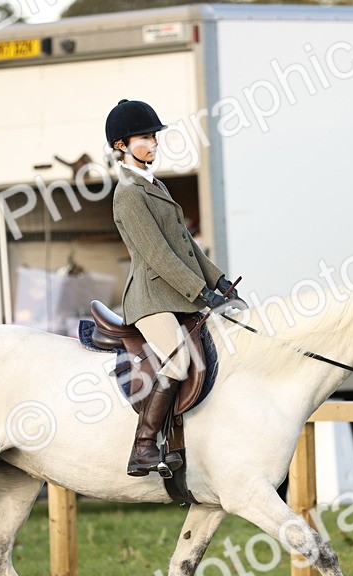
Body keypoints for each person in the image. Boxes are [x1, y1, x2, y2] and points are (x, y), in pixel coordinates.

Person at [106, 98, 245, 477]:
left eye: (154, 137)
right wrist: (201, 294)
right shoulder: (129, 194)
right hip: (151, 297)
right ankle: (144, 446)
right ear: (121, 145)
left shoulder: (154, 186)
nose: (153, 144)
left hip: (175, 292)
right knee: (180, 359)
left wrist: (220, 281)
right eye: (145, 138)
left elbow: (185, 244)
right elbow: (159, 255)